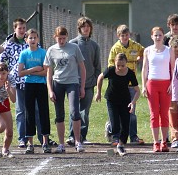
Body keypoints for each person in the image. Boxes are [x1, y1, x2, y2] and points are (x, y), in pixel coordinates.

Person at [0, 18, 47, 148]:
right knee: (21, 111)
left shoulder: (31, 41)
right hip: (18, 81)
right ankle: (22, 138)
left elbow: (41, 58)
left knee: (36, 110)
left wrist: (37, 70)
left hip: (34, 80)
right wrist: (5, 74)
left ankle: (42, 137)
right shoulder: (8, 44)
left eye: (24, 28)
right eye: (20, 28)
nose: (22, 30)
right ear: (15, 29)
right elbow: (0, 60)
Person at [45, 26, 87, 153]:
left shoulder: (74, 48)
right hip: (58, 83)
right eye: (59, 38)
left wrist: (82, 86)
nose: (61, 41)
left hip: (72, 83)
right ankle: (61, 144)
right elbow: (49, 72)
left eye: (63, 38)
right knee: (59, 114)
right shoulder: (51, 50)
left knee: (75, 112)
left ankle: (78, 141)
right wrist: (50, 90)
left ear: (67, 37)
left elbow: (82, 68)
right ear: (55, 37)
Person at [107, 25, 145, 145]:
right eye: (122, 35)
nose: (125, 37)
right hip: (119, 84)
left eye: (126, 35)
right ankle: (115, 136)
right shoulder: (115, 48)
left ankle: (133, 136)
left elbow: (144, 51)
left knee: (131, 112)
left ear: (129, 35)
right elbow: (110, 65)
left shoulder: (135, 45)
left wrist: (140, 58)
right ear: (118, 36)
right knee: (118, 112)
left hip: (131, 83)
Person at [95, 53, 140, 156]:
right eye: (118, 65)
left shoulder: (130, 74)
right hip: (112, 100)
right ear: (115, 63)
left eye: (122, 65)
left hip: (125, 101)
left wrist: (133, 102)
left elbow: (137, 90)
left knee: (125, 126)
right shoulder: (111, 70)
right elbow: (100, 78)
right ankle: (111, 132)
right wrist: (98, 92)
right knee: (115, 123)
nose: (120, 68)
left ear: (126, 63)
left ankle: (120, 145)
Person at [67, 17, 101, 146]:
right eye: (83, 26)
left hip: (89, 84)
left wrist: (95, 81)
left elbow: (97, 66)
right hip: (74, 83)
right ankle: (72, 136)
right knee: (74, 110)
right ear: (79, 28)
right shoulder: (72, 43)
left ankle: (83, 136)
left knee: (84, 112)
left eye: (88, 26)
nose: (86, 28)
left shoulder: (94, 46)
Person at [18, 29, 52, 154]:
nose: (32, 40)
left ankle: (45, 142)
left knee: (44, 112)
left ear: (38, 39)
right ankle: (30, 143)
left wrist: (34, 71)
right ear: (26, 40)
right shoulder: (24, 54)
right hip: (29, 85)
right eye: (30, 38)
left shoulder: (43, 52)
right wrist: (33, 69)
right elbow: (20, 72)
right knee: (29, 113)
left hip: (41, 85)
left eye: (34, 38)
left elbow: (45, 71)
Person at [142, 27, 174, 152]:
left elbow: (173, 68)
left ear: (163, 36)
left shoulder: (169, 50)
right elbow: (145, 69)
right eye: (155, 35)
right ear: (152, 37)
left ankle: (164, 141)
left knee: (164, 114)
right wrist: (144, 85)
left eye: (160, 35)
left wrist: (172, 84)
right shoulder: (148, 51)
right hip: (152, 83)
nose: (158, 37)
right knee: (154, 114)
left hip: (166, 84)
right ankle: (156, 142)